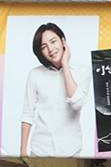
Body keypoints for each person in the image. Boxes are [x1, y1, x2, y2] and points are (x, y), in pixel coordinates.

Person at [20, 22, 91, 157]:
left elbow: (76, 103)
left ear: (63, 41)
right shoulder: (35, 74)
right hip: (40, 150)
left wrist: (65, 65)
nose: (50, 49)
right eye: (44, 47)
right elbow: (27, 113)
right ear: (40, 52)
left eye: (53, 42)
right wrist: (23, 151)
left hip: (71, 150)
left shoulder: (82, 71)